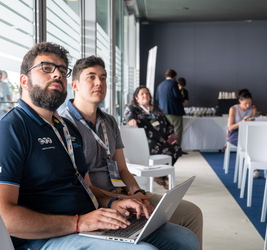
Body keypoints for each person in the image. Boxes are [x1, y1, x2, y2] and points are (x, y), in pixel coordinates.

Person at [0, 43, 200, 250]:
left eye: (61, 70)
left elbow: (87, 187)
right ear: (24, 80)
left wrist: (113, 201)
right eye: (46, 68)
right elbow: (1, 216)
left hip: (90, 221)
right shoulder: (8, 130)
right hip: (48, 239)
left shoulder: (65, 128)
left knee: (184, 239)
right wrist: (78, 223)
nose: (57, 74)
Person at [61, 56, 202, 248]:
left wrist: (137, 192)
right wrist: (123, 199)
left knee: (192, 213)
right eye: (91, 77)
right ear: (75, 85)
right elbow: (82, 186)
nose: (99, 83)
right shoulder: (64, 125)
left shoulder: (109, 121)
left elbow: (122, 169)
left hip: (123, 193)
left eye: (103, 78)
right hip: (101, 202)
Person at [124, 86, 182, 188]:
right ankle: (161, 177)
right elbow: (129, 115)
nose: (145, 95)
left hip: (163, 139)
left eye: (147, 93)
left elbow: (167, 123)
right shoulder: (133, 108)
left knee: (177, 149)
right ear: (136, 97)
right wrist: (131, 119)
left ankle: (161, 176)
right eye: (142, 94)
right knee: (155, 148)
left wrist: (171, 135)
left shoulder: (156, 108)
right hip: (148, 142)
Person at [226, 88, 257, 177]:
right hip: (235, 134)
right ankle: (252, 165)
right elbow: (230, 127)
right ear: (240, 101)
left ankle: (252, 164)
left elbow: (253, 125)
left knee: (256, 140)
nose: (248, 106)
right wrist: (242, 123)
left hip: (248, 133)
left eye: (249, 103)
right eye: (245, 103)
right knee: (251, 143)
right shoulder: (233, 109)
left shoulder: (252, 109)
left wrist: (253, 115)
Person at [155, 69, 185, 146]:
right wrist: (182, 97)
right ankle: (177, 148)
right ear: (174, 76)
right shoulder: (174, 84)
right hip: (174, 111)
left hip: (163, 111)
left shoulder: (160, 85)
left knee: (166, 130)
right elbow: (177, 96)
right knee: (177, 129)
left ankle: (167, 147)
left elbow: (157, 98)